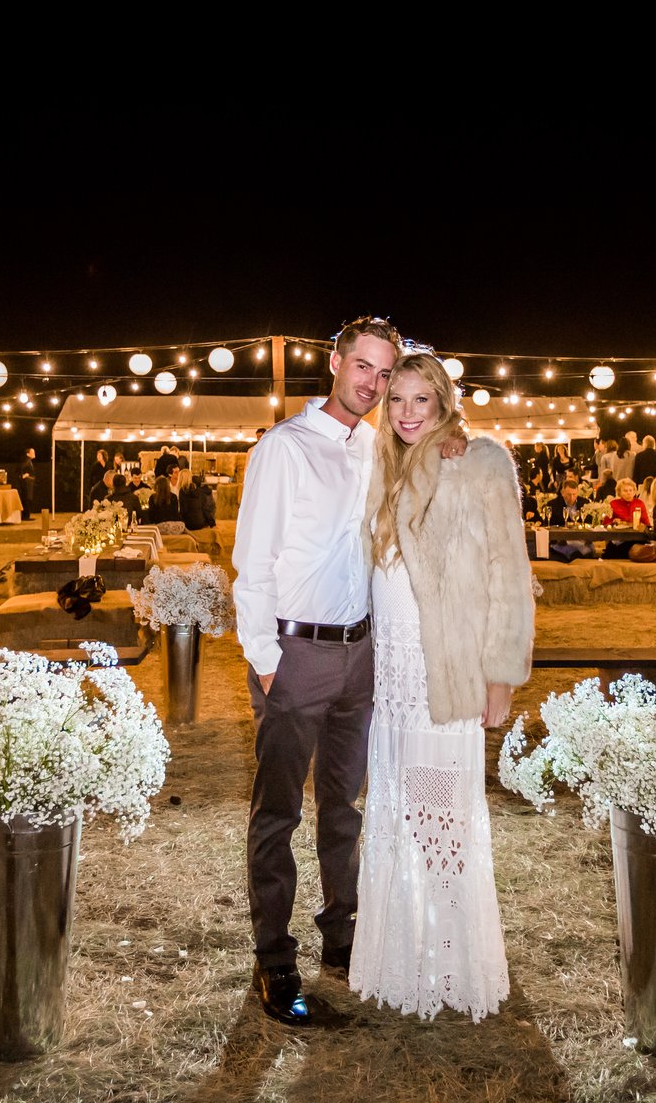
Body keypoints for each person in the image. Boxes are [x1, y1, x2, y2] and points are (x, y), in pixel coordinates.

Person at [230, 316, 407, 1028]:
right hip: (295, 653)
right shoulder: (284, 448)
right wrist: (267, 662)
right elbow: (253, 562)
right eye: (363, 366)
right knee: (278, 812)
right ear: (335, 363)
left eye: (385, 372)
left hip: (361, 655)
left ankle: (343, 935)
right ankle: (275, 957)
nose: (373, 383)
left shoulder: (377, 448)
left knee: (344, 808)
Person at [351, 351, 531, 1022]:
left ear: (444, 402)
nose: (406, 413)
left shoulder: (479, 462)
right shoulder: (383, 465)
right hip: (390, 674)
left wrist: (500, 676)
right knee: (397, 804)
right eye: (396, 399)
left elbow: (508, 574)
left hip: (445, 670)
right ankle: (401, 956)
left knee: (441, 813)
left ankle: (449, 961)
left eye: (420, 400)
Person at [178, 459, 217, 534]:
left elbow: (183, 511)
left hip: (189, 525)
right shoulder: (198, 490)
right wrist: (212, 523)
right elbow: (205, 508)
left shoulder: (182, 491)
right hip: (200, 523)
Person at [15, 447, 39, 518]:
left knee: (27, 498)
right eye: (32, 452)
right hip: (26, 483)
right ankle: (25, 515)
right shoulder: (27, 461)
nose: (34, 454)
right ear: (28, 454)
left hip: (28, 483)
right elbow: (20, 468)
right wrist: (23, 475)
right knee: (26, 498)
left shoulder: (28, 461)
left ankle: (26, 515)